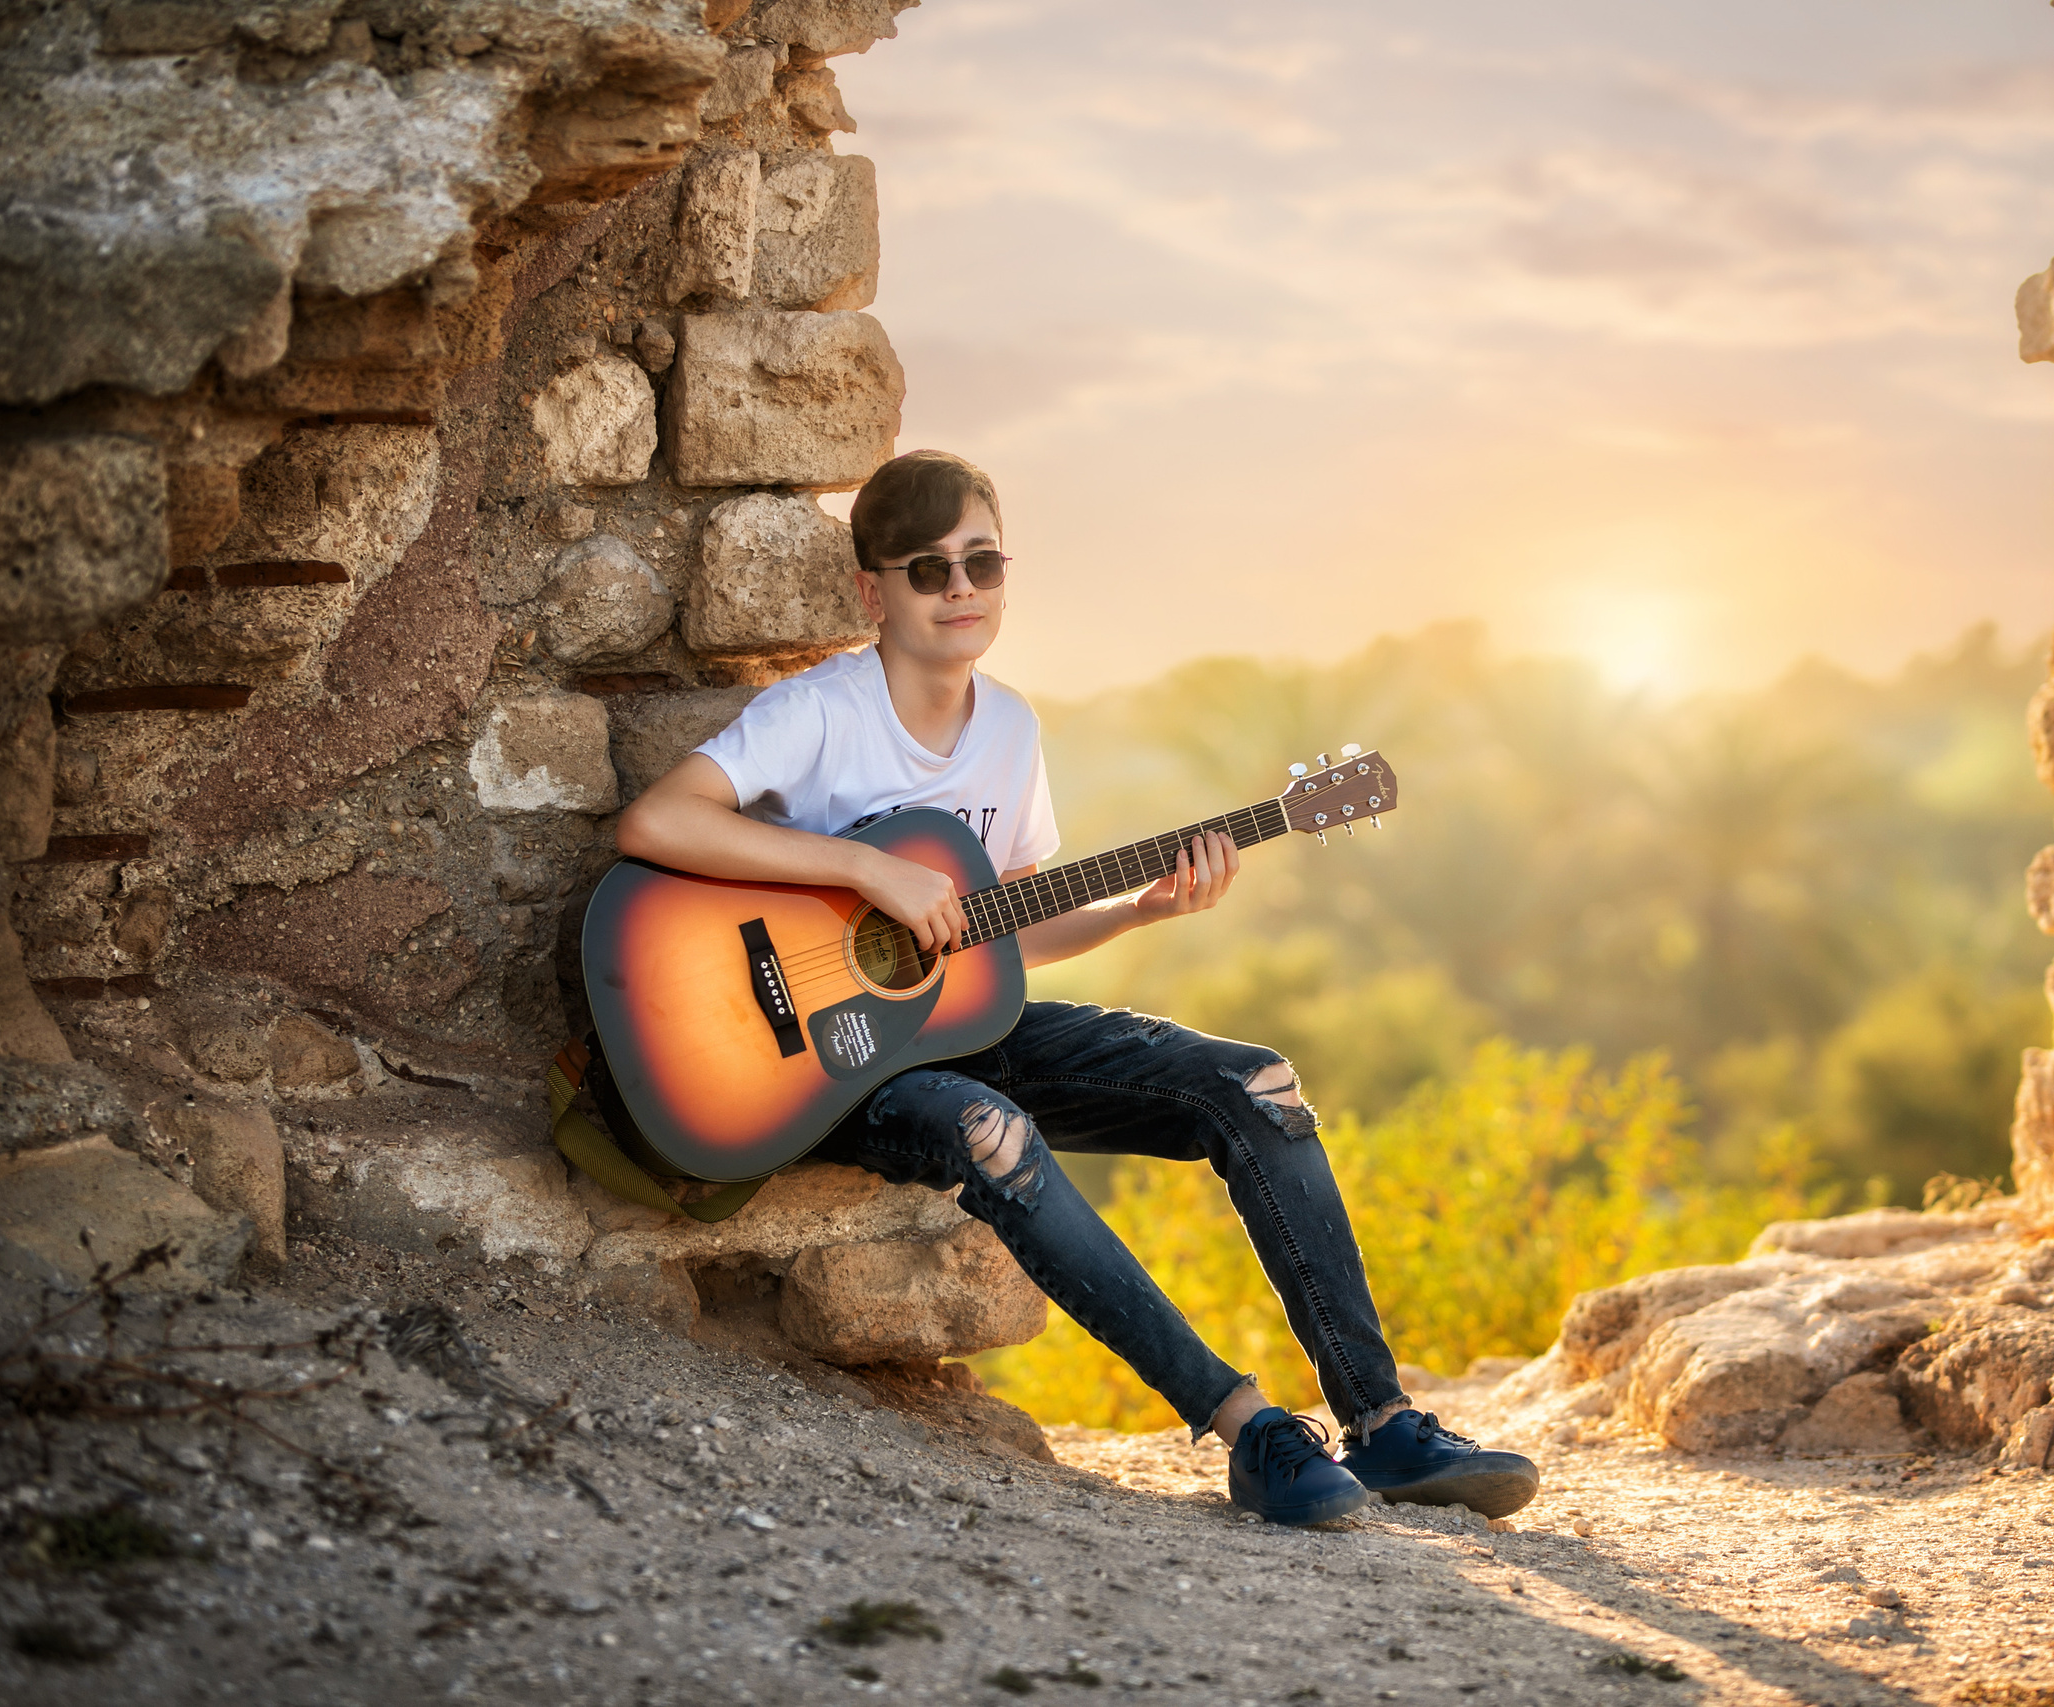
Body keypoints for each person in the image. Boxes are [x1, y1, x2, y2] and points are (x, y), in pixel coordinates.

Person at [615, 449, 1539, 1527]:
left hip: (967, 1023)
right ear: (873, 591)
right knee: (990, 1130)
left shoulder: (1010, 730)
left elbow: (1004, 931)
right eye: (928, 569)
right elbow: (656, 822)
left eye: (982, 562)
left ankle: (1382, 1425)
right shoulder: (822, 713)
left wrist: (1138, 911)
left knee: (1260, 1086)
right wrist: (866, 867)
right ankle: (1250, 1431)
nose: (961, 588)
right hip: (838, 1070)